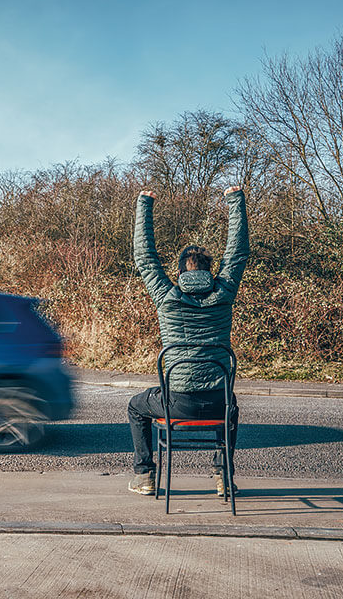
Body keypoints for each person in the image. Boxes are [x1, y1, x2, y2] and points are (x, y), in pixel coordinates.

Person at [127, 186, 249, 497]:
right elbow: (237, 253)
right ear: (211, 271)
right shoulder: (223, 295)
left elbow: (144, 256)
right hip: (216, 400)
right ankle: (224, 477)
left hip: (176, 402)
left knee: (135, 406)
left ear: (180, 272)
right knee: (232, 407)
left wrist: (145, 203)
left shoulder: (167, 297)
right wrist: (235, 200)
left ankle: (144, 476)